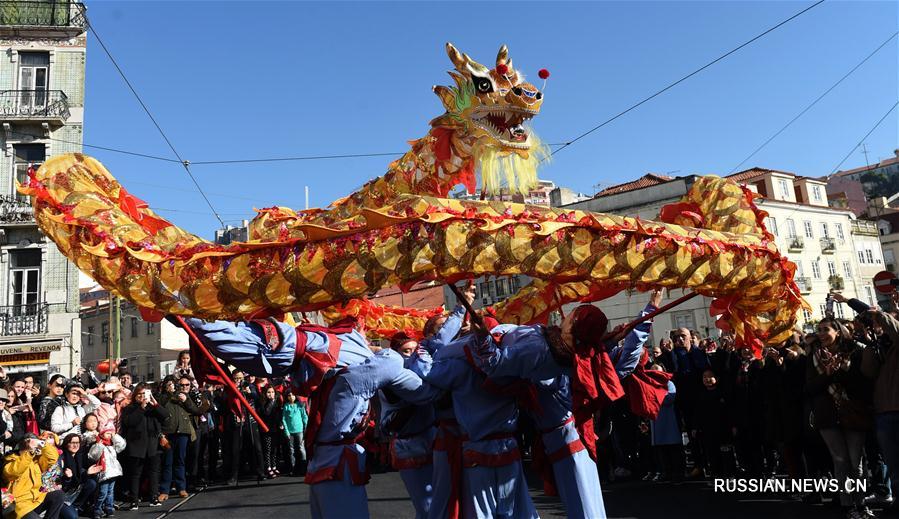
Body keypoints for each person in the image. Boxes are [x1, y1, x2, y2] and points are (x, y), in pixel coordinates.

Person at [806, 318, 874, 519]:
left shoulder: (854, 352)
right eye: (818, 330)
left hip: (853, 412)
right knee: (840, 461)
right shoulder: (814, 356)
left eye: (825, 329)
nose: (821, 333)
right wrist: (827, 374)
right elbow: (809, 388)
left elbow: (862, 384)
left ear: (837, 331)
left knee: (856, 462)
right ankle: (847, 504)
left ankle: (860, 504)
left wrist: (842, 370)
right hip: (827, 415)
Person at [119, 383, 169, 510]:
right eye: (139, 394)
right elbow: (130, 422)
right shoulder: (129, 408)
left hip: (152, 445)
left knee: (153, 473)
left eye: (145, 394)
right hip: (136, 446)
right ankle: (134, 500)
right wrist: (141, 408)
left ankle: (154, 497)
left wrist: (155, 404)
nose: (142, 396)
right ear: (135, 395)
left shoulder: (153, 408)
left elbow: (165, 416)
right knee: (135, 474)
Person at [3, 432, 66, 519]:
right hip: (20, 505)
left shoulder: (36, 460)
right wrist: (29, 452)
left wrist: (43, 443)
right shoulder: (11, 459)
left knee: (58, 495)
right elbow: (14, 471)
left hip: (35, 499)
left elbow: (53, 458)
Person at [158, 377, 200, 500]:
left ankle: (181, 488)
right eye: (168, 384)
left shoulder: (182, 395)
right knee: (167, 462)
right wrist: (161, 435)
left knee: (180, 460)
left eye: (173, 384)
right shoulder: (161, 397)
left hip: (182, 432)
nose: (171, 386)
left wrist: (186, 400)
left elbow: (195, 410)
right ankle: (164, 490)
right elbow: (158, 412)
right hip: (168, 433)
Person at [87, 424, 125, 519]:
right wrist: (99, 445)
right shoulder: (98, 444)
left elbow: (122, 445)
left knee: (110, 492)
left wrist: (115, 436)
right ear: (102, 434)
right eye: (107, 433)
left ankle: (109, 507)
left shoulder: (112, 445)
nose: (109, 435)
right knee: (102, 492)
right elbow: (93, 456)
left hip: (113, 472)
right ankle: (97, 509)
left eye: (111, 433)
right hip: (103, 473)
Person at [58, 434, 100, 516]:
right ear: (66, 444)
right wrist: (67, 478)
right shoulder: (61, 458)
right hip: (65, 495)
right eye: (72, 442)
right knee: (72, 517)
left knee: (92, 483)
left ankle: (77, 506)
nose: (75, 445)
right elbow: (61, 485)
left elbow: (79, 479)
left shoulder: (80, 456)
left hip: (76, 491)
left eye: (77, 442)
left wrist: (87, 473)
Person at [257, 386, 283, 478]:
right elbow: (266, 413)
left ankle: (274, 466)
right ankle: (268, 468)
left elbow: (279, 415)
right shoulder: (263, 403)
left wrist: (280, 423)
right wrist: (271, 402)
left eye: (272, 392)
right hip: (266, 429)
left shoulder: (277, 403)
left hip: (275, 429)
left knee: (275, 449)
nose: (271, 394)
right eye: (269, 392)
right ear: (265, 393)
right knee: (267, 450)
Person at [282, 392, 308, 475]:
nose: (291, 397)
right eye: (289, 395)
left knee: (301, 448)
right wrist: (286, 432)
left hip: (299, 430)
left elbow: (304, 417)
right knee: (291, 450)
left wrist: (306, 427)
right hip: (290, 432)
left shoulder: (299, 405)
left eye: (293, 395)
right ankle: (293, 468)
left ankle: (304, 467)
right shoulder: (286, 406)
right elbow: (284, 420)